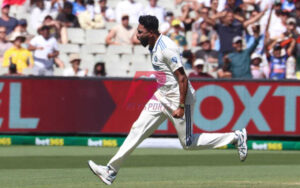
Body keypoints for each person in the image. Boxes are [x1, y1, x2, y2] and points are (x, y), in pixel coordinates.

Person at [88, 15, 248, 185]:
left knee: (188, 143)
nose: (137, 35)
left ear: (150, 32)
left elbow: (183, 78)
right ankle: (110, 171)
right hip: (161, 96)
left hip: (180, 99)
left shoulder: (166, 48)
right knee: (137, 129)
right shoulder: (152, 44)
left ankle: (236, 137)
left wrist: (180, 106)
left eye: (140, 32)